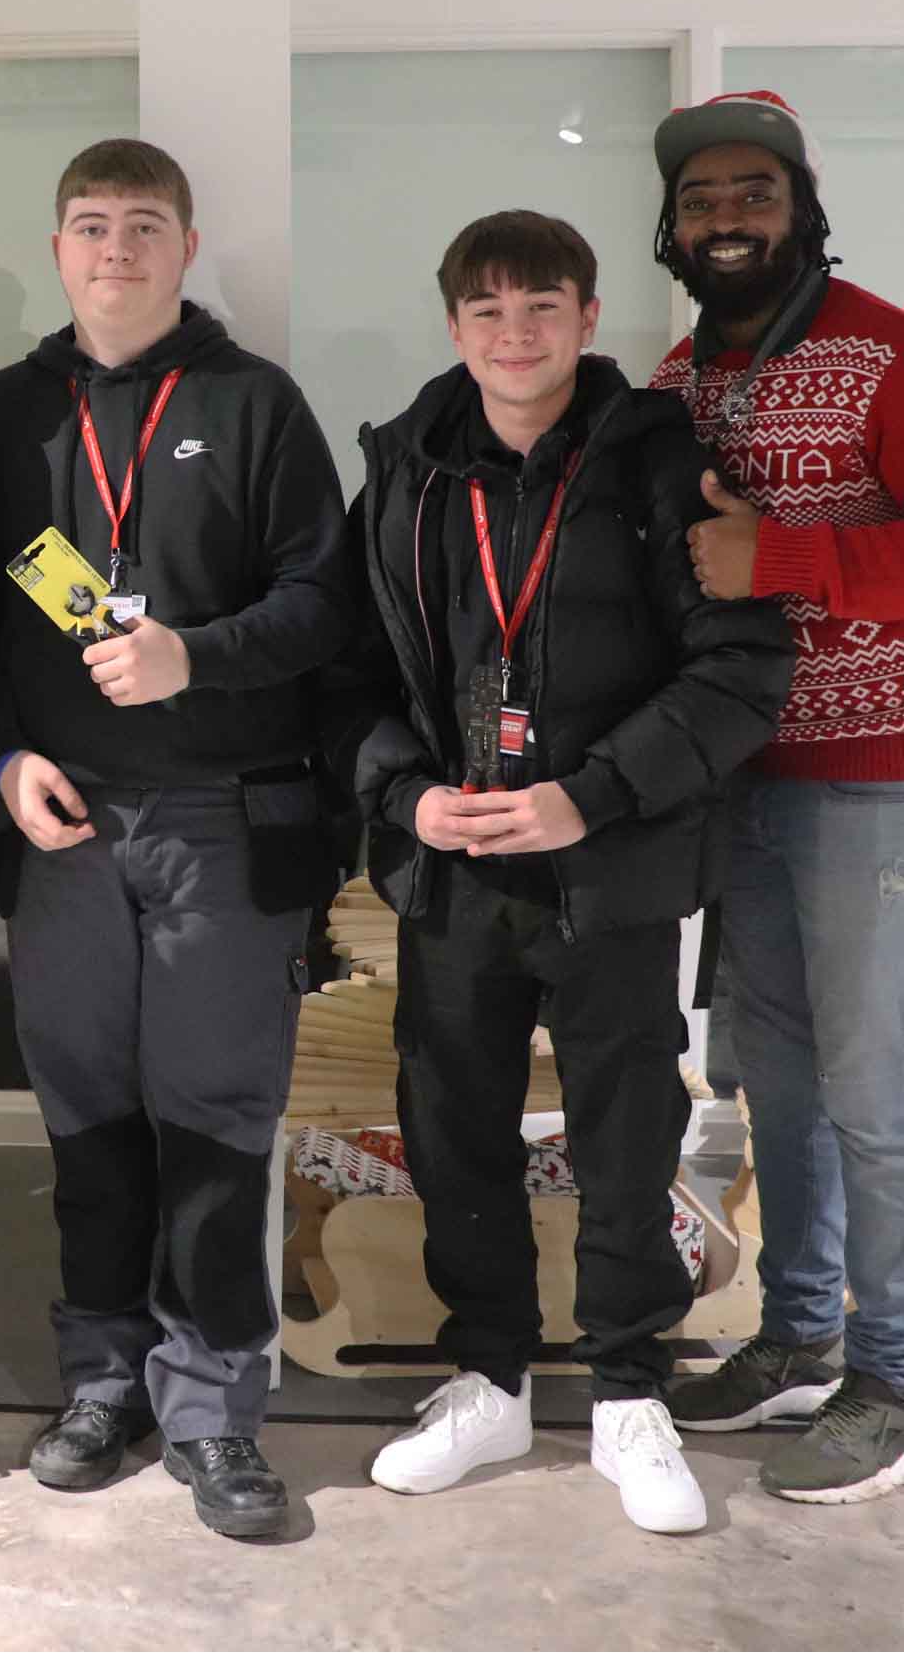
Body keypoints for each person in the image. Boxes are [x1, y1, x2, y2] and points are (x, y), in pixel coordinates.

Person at [336, 210, 793, 1534]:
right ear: (454, 328)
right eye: (488, 311)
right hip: (456, 872)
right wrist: (408, 798)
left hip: (616, 868)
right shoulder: (409, 471)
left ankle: (629, 1393)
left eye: (543, 307)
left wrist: (587, 799)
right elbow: (348, 682)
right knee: (456, 1125)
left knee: (624, 1128)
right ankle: (485, 1380)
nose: (516, 334)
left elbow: (742, 670)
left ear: (591, 321)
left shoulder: (664, 467)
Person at [0, 137, 352, 1538]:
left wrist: (199, 659)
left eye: (144, 226)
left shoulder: (254, 405)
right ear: (58, 250)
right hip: (62, 828)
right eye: (91, 226)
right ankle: (102, 1381)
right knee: (91, 1120)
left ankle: (217, 1410)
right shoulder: (2, 416)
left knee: (217, 1121)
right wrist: (3, 757)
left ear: (186, 248)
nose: (116, 249)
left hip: (217, 820)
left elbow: (321, 608)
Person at [646, 92, 904, 1503]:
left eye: (752, 191)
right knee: (782, 1090)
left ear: (800, 203)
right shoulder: (684, 372)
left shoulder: (884, 351)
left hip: (876, 775)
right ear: (674, 228)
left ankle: (892, 1372)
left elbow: (777, 556)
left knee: (878, 1098)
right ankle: (797, 1339)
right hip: (735, 780)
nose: (726, 216)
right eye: (700, 200)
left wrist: (790, 560)